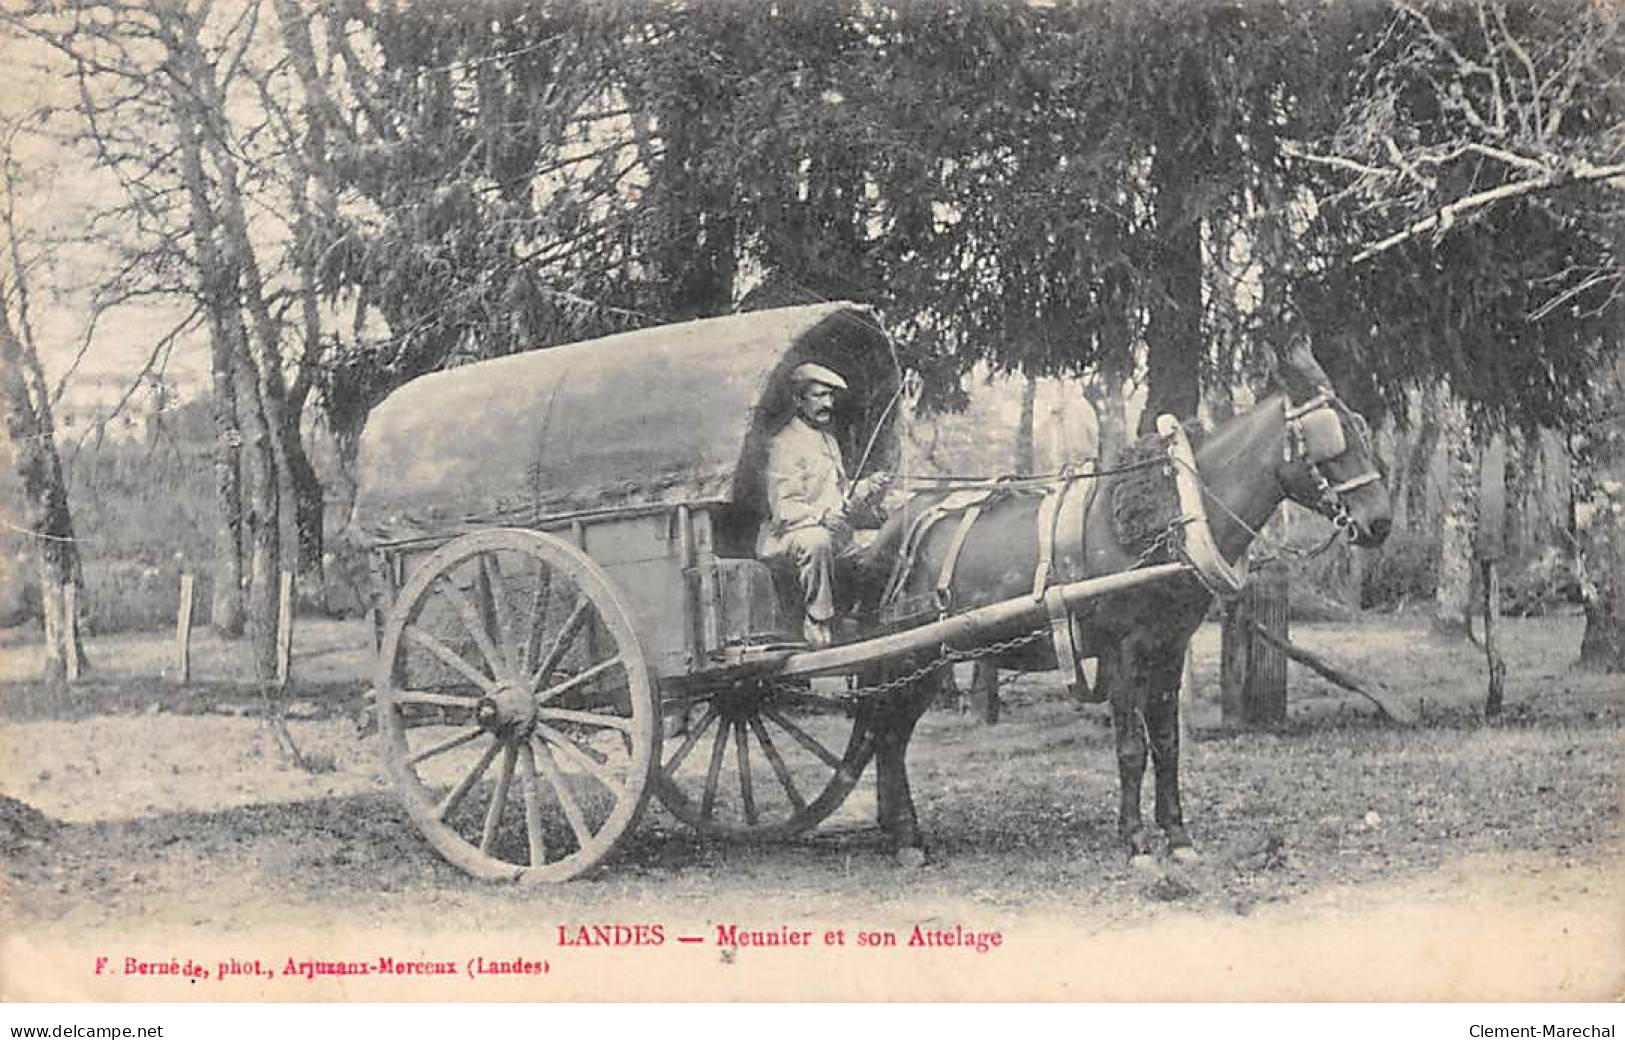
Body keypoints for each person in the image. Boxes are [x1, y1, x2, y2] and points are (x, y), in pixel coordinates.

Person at [756, 362, 891, 647]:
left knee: (882, 544)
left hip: (834, 533)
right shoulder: (783, 443)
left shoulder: (828, 441)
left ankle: (864, 619)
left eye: (830, 397)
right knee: (816, 542)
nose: (827, 403)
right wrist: (822, 517)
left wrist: (867, 487)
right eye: (818, 396)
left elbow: (840, 495)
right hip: (789, 535)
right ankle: (818, 620)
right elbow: (784, 508)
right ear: (798, 400)